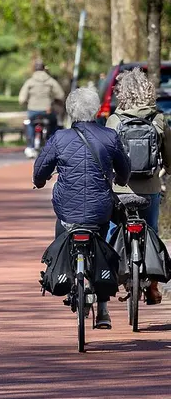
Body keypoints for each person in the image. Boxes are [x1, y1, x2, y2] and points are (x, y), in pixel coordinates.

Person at [33, 87, 131, 329]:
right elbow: (125, 170)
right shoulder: (109, 137)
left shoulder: (59, 138)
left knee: (63, 232)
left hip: (67, 210)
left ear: (70, 111)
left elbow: (40, 170)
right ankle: (104, 308)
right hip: (100, 210)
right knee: (103, 240)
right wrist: (119, 180)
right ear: (96, 110)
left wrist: (40, 181)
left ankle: (64, 276)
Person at [106, 69, 169, 304]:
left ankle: (112, 274)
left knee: (114, 229)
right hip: (149, 188)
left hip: (120, 189)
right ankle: (152, 285)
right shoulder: (158, 119)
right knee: (151, 231)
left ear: (122, 92)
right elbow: (169, 155)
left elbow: (107, 155)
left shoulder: (114, 120)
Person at [18, 59, 64, 151]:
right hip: (47, 110)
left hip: (32, 110)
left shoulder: (30, 82)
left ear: (34, 69)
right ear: (44, 68)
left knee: (30, 123)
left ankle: (30, 146)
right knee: (54, 122)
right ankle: (52, 144)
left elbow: (21, 99)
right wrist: (56, 100)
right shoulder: (50, 81)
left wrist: (26, 103)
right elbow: (61, 95)